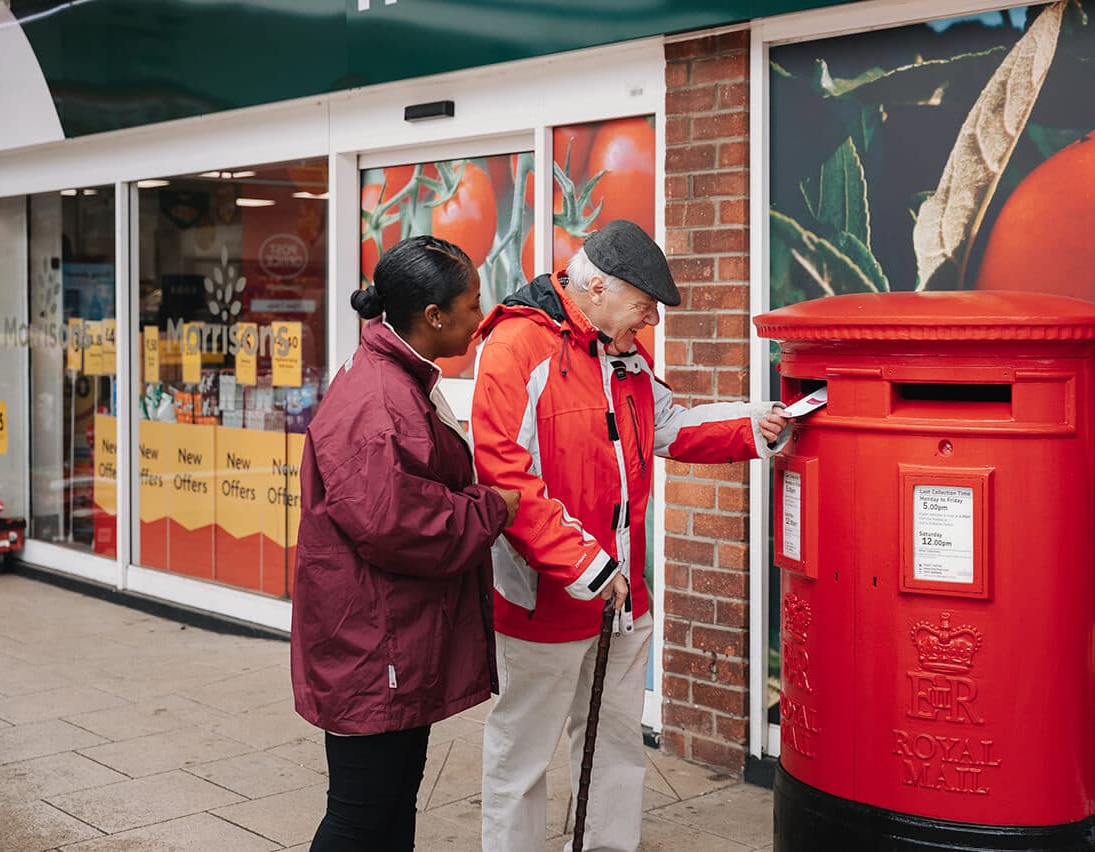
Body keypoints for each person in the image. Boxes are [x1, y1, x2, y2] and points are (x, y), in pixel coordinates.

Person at [471, 219, 791, 852]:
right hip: (548, 602)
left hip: (623, 599)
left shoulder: (623, 350)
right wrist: (587, 566)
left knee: (615, 745)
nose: (653, 321)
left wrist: (756, 425)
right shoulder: (514, 348)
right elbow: (504, 477)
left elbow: (668, 426)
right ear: (595, 288)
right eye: (645, 306)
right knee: (522, 758)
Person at [290, 235, 521, 852]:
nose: (481, 315)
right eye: (471, 305)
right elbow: (400, 525)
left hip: (387, 635)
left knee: (391, 811)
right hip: (374, 642)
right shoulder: (381, 400)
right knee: (362, 819)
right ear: (434, 317)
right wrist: (493, 506)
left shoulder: (394, 373)